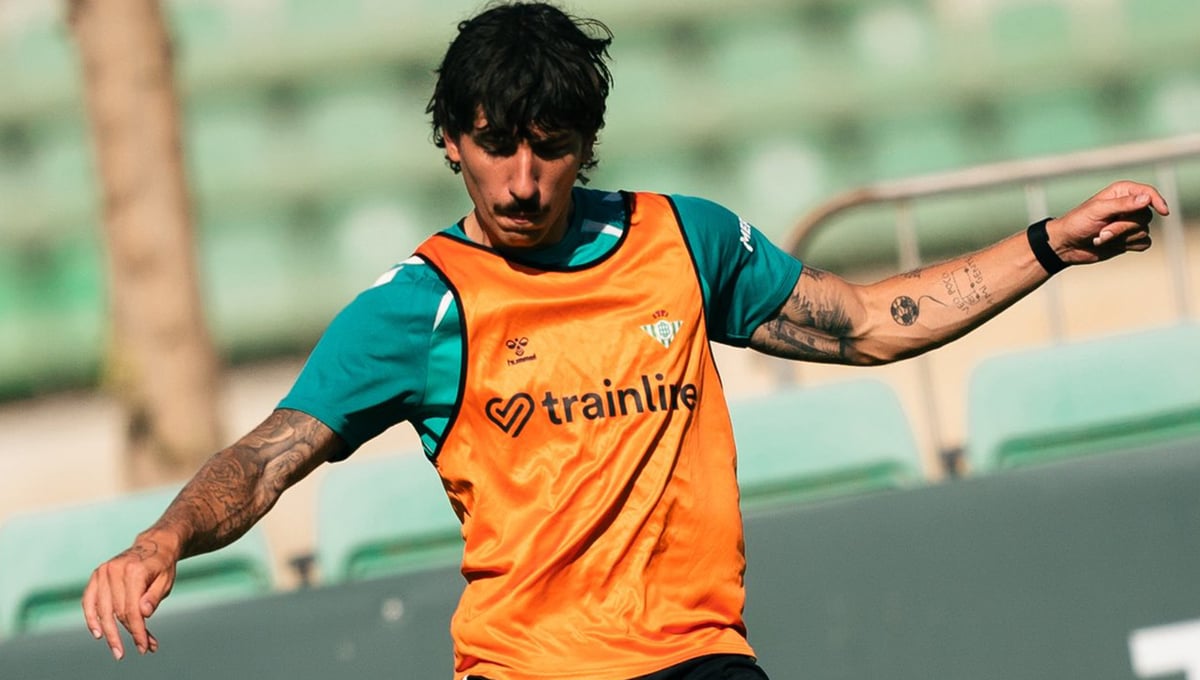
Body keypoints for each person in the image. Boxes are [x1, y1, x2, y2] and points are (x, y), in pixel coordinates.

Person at [82, 2, 1169, 678]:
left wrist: (1048, 245)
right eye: (495, 147)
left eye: (549, 148)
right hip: (528, 670)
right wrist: (161, 539)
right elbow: (269, 455)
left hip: (698, 658)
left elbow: (873, 322)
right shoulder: (421, 306)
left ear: (585, 143)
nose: (522, 181)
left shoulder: (682, 241)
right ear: (451, 142)